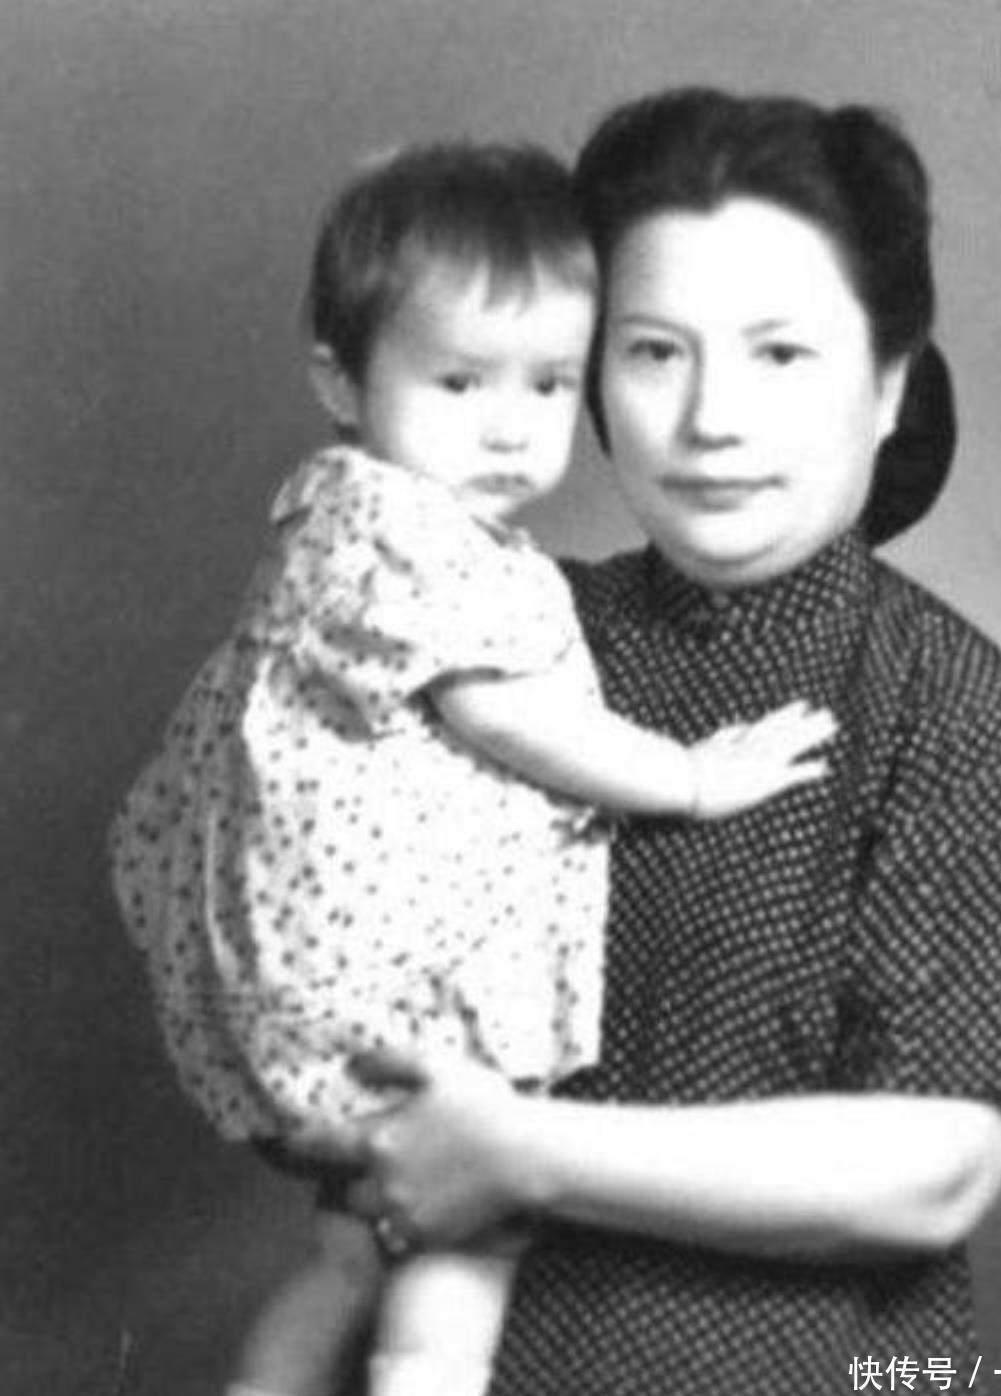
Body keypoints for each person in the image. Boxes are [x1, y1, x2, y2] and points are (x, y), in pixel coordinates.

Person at [302, 88, 1001, 1396]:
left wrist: (519, 1152)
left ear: (888, 385)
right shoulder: (495, 636)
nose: (709, 420)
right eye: (654, 352)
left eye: (779, 354)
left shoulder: (965, 723)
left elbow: (935, 1169)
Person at [107, 140, 838, 1396]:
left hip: (310, 1001)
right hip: (390, 1004)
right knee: (470, 1238)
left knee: (348, 1254)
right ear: (341, 382)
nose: (509, 426)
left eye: (549, 383)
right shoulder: (406, 535)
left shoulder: (334, 511)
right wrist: (687, 776)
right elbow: (510, 718)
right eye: (458, 381)